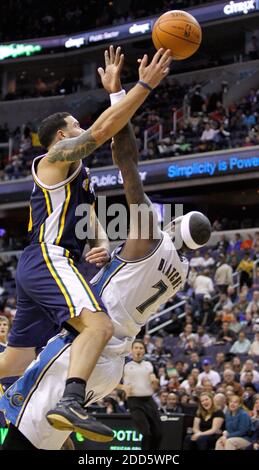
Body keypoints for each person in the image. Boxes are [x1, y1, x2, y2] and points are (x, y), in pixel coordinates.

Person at [0, 53, 211, 450]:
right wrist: (139, 87)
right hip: (49, 255)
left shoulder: (87, 182)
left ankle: (67, 400)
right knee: (97, 325)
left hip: (52, 259)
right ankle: (72, 401)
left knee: (13, 361)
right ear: (62, 137)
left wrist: (99, 243)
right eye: (75, 125)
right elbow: (102, 133)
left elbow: (90, 215)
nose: (81, 128)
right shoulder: (51, 162)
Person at [118, 340, 162, 450]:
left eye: (141, 348)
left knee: (158, 433)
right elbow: (111, 382)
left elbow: (156, 387)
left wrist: (155, 382)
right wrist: (123, 387)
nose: (138, 350)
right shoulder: (125, 365)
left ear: (144, 351)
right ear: (131, 350)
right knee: (146, 433)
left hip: (149, 400)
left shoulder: (149, 365)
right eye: (136, 347)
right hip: (134, 401)